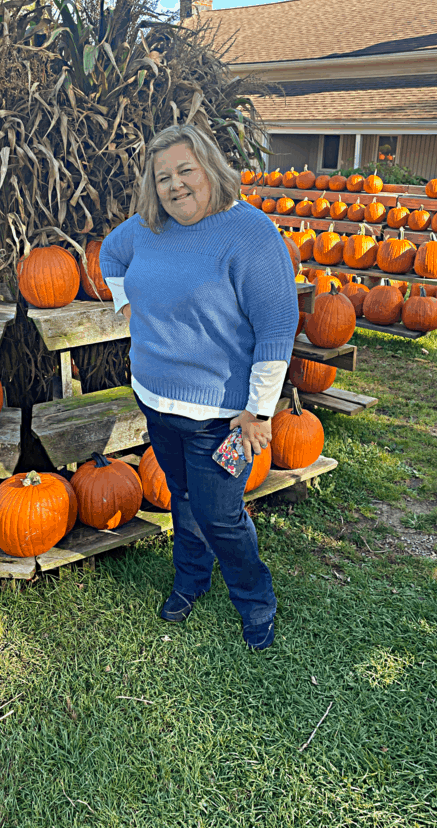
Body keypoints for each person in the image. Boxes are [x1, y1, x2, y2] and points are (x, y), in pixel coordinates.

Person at [99, 124, 299, 650]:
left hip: (223, 418)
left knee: (221, 516)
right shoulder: (145, 229)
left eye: (185, 170)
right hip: (156, 402)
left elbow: (277, 328)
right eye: (163, 176)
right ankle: (189, 581)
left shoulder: (251, 234)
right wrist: (125, 303)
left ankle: (256, 602)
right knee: (183, 499)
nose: (175, 185)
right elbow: (110, 256)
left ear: (210, 167)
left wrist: (260, 411)